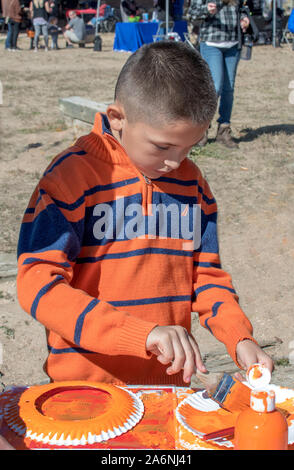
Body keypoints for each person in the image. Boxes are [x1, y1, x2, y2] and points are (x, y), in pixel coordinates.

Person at [16, 41, 273, 387]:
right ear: (118, 119)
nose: (176, 162)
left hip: (165, 389)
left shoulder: (192, 184)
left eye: (190, 147)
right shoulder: (70, 179)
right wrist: (140, 334)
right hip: (85, 391)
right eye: (162, 146)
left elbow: (206, 276)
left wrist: (239, 336)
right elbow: (38, 285)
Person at [189, 0, 250, 148]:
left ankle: (224, 130)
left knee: (229, 89)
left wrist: (244, 18)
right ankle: (201, 130)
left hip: (233, 44)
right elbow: (191, 14)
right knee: (214, 87)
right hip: (211, 43)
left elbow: (242, 8)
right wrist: (206, 9)